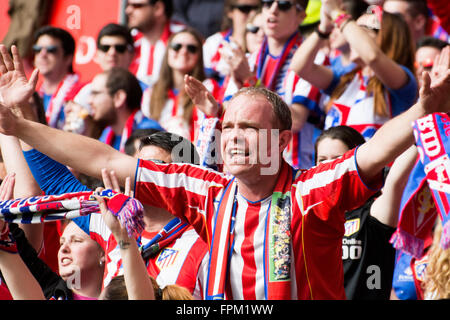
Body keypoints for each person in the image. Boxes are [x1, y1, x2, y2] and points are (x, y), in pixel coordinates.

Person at [0, 42, 448, 299]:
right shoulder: (207, 191)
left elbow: (373, 154)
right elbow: (104, 160)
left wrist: (424, 110)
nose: (233, 136)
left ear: (283, 142)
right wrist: (20, 126)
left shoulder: (310, 191)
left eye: (249, 128)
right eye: (228, 126)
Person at [314, 125, 417, 299]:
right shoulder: (310, 213)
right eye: (322, 159)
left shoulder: (375, 212)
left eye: (337, 159)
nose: (328, 167)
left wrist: (428, 119)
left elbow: (396, 181)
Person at [290, 1, 418, 141]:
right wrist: (323, 29)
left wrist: (336, 13)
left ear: (387, 39)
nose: (351, 37)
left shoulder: (402, 80)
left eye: (361, 30)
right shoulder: (345, 78)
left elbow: (373, 57)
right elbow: (300, 67)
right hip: (335, 162)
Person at [141, 28, 220, 141]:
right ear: (168, 51)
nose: (184, 51)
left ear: (199, 56)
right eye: (177, 46)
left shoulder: (208, 87)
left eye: (191, 48)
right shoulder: (151, 92)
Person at [89, 67, 163, 152]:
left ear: (118, 98)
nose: (89, 101)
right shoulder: (107, 133)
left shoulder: (149, 134)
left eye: (95, 94)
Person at [32, 26, 84, 130]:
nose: (42, 54)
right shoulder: (32, 95)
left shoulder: (81, 96)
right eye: (37, 50)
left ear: (68, 58)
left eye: (51, 50)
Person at [126, 0, 185, 87]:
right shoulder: (125, 42)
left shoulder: (185, 41)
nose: (128, 10)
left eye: (136, 5)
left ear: (158, 8)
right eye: (128, 5)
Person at [202, 0, 260, 84]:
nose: (253, 13)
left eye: (257, 9)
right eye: (245, 9)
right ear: (230, 11)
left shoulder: (263, 43)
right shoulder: (214, 43)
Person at [383, 0, 450, 43]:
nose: (387, 26)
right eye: (384, 19)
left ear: (419, 22)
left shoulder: (445, 38)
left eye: (394, 19)